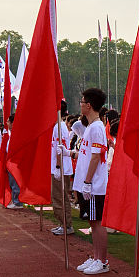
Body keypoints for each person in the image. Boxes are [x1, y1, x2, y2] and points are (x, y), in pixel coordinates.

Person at [73, 88, 110, 274]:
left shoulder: (97, 128)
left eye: (82, 101)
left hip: (94, 185)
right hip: (86, 183)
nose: (80, 104)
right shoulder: (91, 127)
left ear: (89, 105)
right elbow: (88, 154)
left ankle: (102, 261)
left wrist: (88, 181)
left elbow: (96, 157)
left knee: (97, 222)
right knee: (92, 222)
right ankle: (96, 257)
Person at [51, 100, 76, 236]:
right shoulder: (59, 126)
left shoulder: (59, 127)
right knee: (59, 197)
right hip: (61, 167)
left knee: (60, 197)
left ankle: (66, 225)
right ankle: (63, 224)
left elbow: (60, 149)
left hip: (61, 168)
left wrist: (58, 167)